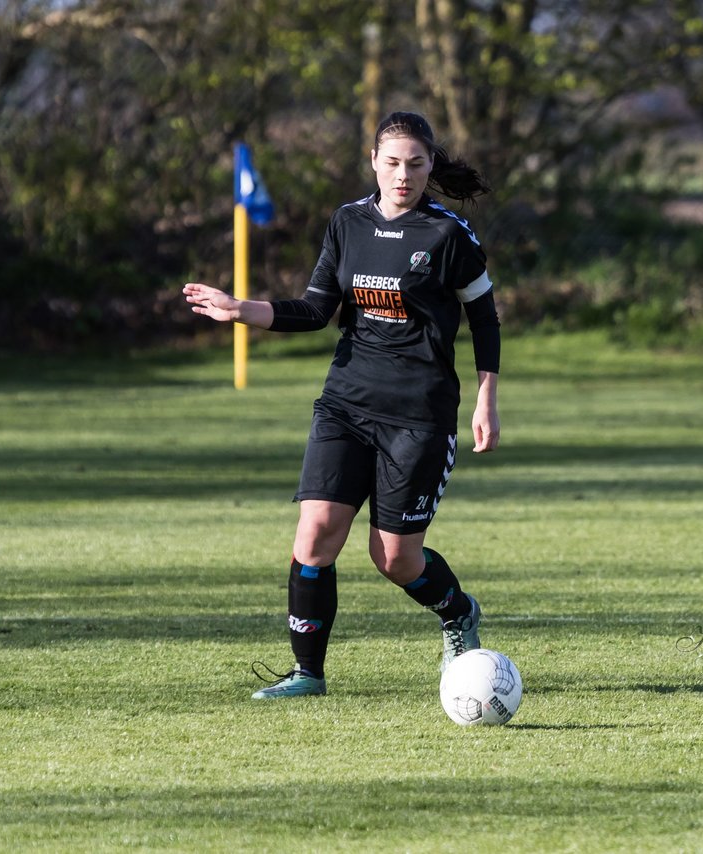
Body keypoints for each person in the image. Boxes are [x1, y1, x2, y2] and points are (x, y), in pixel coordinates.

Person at [183, 111, 501, 699]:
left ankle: (458, 612)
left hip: (419, 414)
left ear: (431, 167)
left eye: (416, 163)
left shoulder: (448, 234)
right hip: (346, 403)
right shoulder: (347, 222)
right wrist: (239, 309)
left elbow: (484, 318)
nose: (403, 174)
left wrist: (486, 399)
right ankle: (308, 674)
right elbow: (313, 309)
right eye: (392, 162)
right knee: (314, 536)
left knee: (396, 560)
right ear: (374, 163)